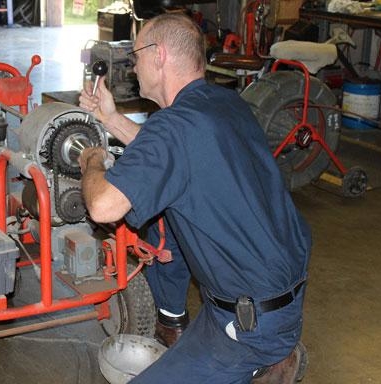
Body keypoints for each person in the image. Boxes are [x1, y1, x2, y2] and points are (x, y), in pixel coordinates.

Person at [78, 12, 311, 384]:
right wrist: (110, 118)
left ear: (160, 56)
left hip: (248, 324)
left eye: (136, 56)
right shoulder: (224, 103)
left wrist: (92, 162)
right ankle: (267, 353)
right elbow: (171, 161)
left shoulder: (172, 126)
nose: (133, 67)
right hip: (265, 297)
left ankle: (268, 360)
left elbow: (103, 205)